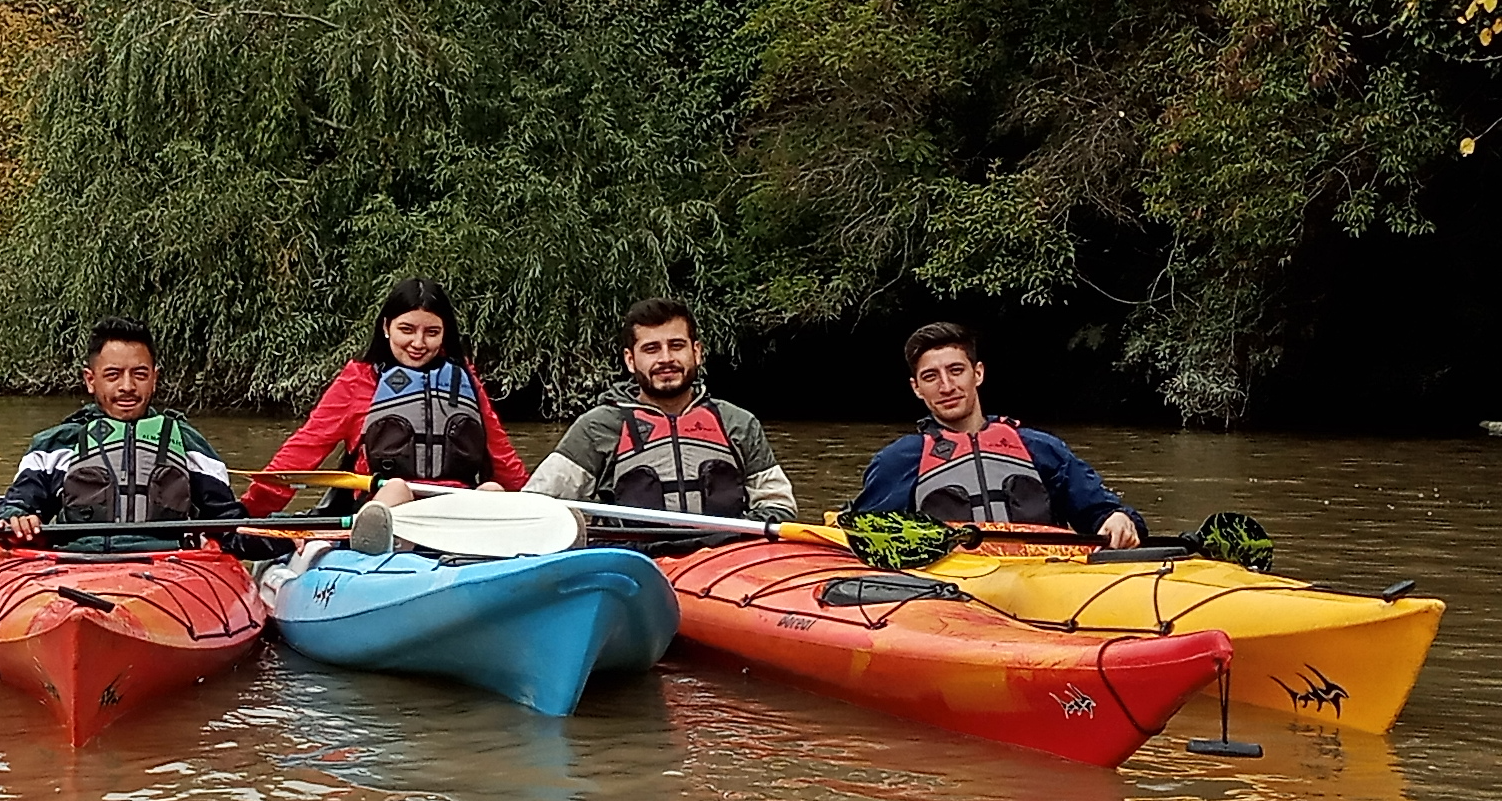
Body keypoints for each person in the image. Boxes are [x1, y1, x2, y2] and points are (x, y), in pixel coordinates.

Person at [240, 278, 529, 518]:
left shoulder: (464, 380)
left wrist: (536, 503)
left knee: (493, 491)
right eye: (407, 329)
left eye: (431, 332)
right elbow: (302, 452)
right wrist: (247, 512)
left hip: (453, 507)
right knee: (397, 489)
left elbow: (502, 456)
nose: (418, 343)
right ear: (386, 327)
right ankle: (377, 544)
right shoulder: (359, 380)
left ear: (444, 334)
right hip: (384, 503)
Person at [848, 320, 1142, 547]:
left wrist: (1117, 519)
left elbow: (1101, 511)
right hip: (952, 591)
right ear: (916, 388)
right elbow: (862, 540)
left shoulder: (1040, 448)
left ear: (978, 373)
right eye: (930, 377)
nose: (947, 386)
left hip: (1040, 583)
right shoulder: (898, 460)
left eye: (956, 370)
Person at [525, 299, 797, 520]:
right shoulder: (598, 427)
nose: (666, 359)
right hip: (637, 564)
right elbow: (536, 506)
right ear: (631, 360)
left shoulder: (737, 423)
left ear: (697, 352)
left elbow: (778, 504)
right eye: (651, 349)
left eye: (676, 346)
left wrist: (744, 533)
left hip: (723, 561)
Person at [0, 319, 248, 542]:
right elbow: (17, 505)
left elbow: (227, 525)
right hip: (78, 566)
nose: (127, 386)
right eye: (113, 375)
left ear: (155, 379)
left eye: (140, 374)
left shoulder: (187, 442)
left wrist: (281, 534)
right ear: (91, 380)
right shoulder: (56, 444)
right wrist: (15, 517)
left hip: (167, 569)